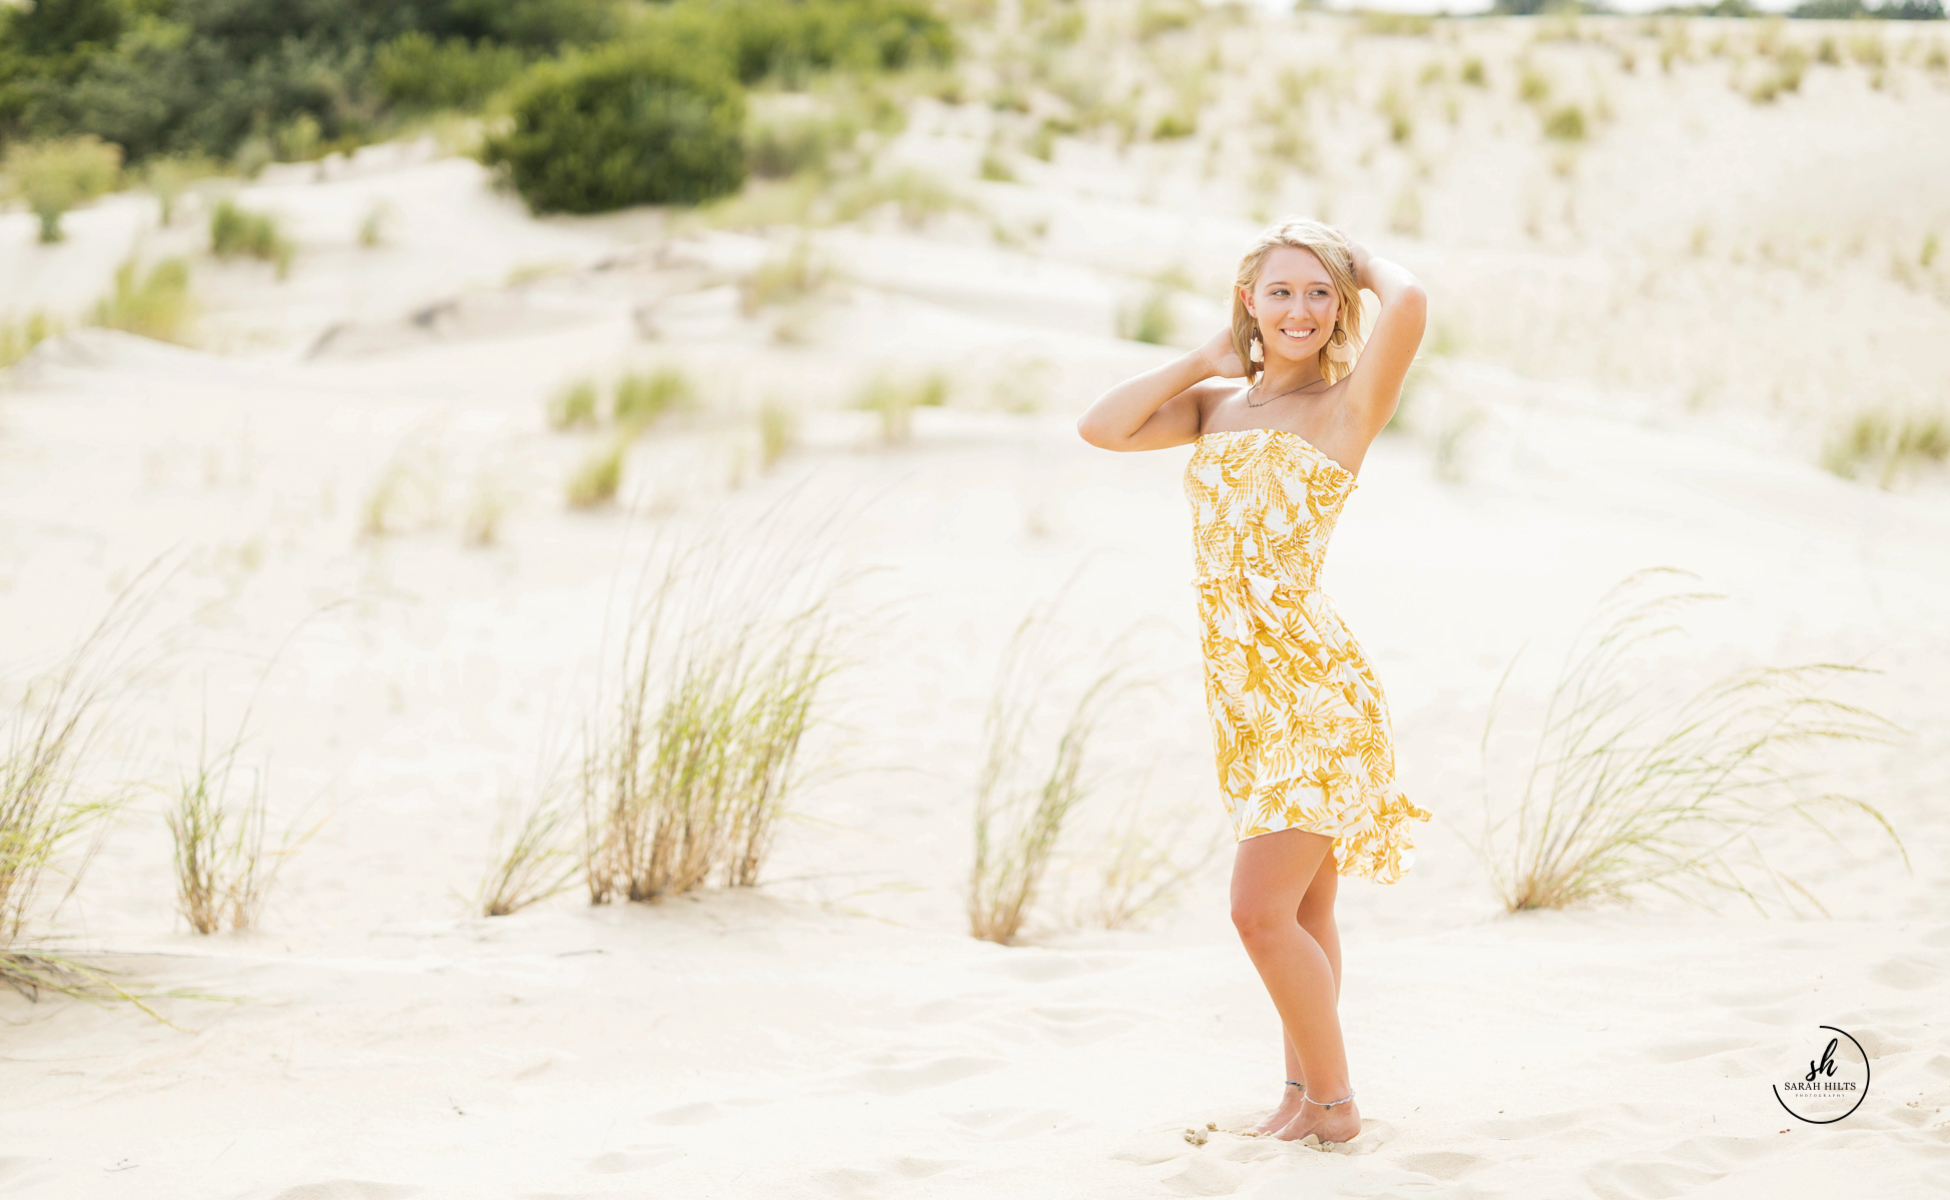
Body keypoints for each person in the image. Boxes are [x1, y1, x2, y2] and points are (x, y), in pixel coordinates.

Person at [1075, 218, 1433, 1146]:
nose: (1301, 310)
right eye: (1280, 291)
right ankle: (1299, 1098)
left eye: (1320, 293)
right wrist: (1204, 356)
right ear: (1250, 303)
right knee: (1306, 913)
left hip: (1313, 691)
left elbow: (1415, 301)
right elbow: (1100, 426)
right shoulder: (1217, 409)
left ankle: (1337, 1105)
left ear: (1342, 304)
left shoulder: (1349, 406)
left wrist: (1357, 262)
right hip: (1244, 696)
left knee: (1257, 912)